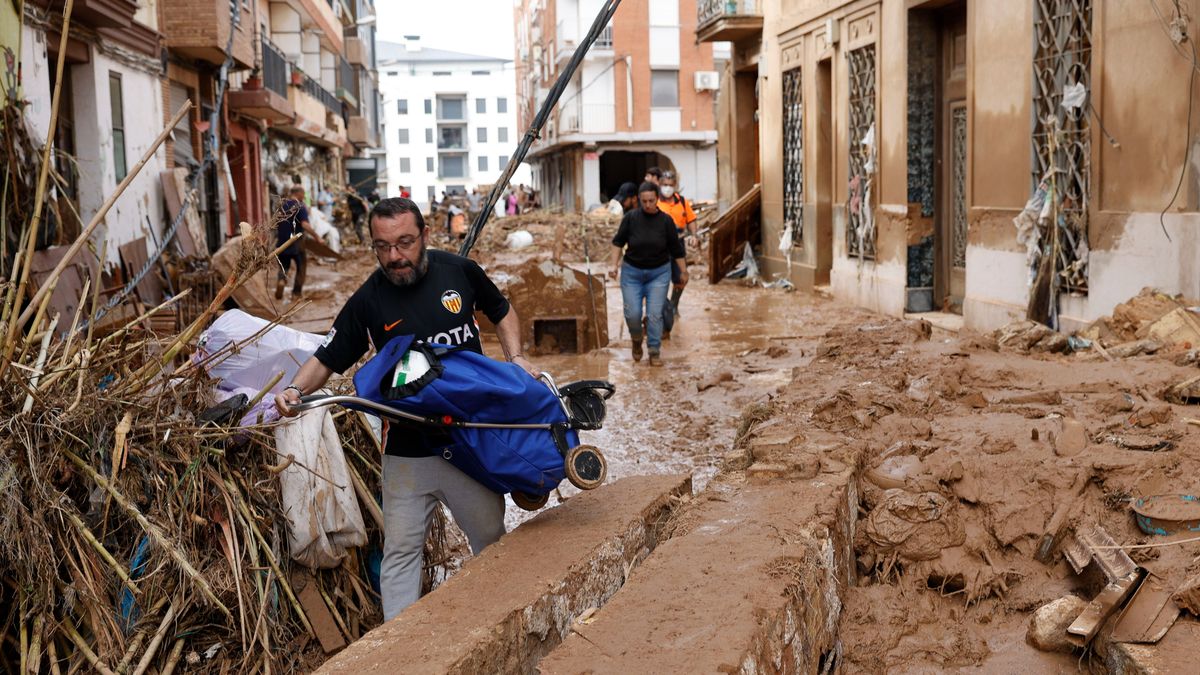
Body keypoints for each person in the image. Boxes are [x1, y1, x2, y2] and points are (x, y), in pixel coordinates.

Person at [274, 197, 538, 620]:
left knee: (491, 543)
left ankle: (501, 627)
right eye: (383, 247)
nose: (395, 256)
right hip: (407, 451)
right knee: (400, 555)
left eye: (405, 243)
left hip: (471, 444)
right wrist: (292, 390)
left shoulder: (460, 272)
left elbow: (502, 311)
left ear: (425, 236)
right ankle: (401, 650)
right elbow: (326, 357)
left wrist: (517, 357)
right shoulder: (369, 300)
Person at [607, 182, 687, 366]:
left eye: (651, 201)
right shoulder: (631, 218)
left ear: (657, 199)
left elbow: (676, 250)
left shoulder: (666, 221)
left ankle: (654, 351)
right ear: (639, 201)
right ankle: (636, 340)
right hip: (632, 273)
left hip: (659, 273)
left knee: (654, 314)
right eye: (644, 201)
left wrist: (683, 271)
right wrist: (613, 265)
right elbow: (618, 242)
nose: (648, 205)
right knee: (632, 313)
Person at [656, 170, 697, 339]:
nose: (667, 188)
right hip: (660, 245)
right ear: (660, 184)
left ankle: (674, 304)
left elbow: (691, 220)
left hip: (678, 244)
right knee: (659, 277)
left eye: (670, 185)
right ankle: (661, 308)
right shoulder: (655, 202)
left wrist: (694, 235)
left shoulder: (682, 201)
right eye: (664, 185)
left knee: (681, 277)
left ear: (675, 186)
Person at [275, 185, 317, 299]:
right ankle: (296, 293)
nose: (304, 197)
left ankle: (281, 281)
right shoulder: (299, 206)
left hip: (281, 244)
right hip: (296, 244)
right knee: (301, 267)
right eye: (303, 194)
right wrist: (317, 237)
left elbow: (275, 224)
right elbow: (305, 224)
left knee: (284, 266)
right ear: (299, 193)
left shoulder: (282, 206)